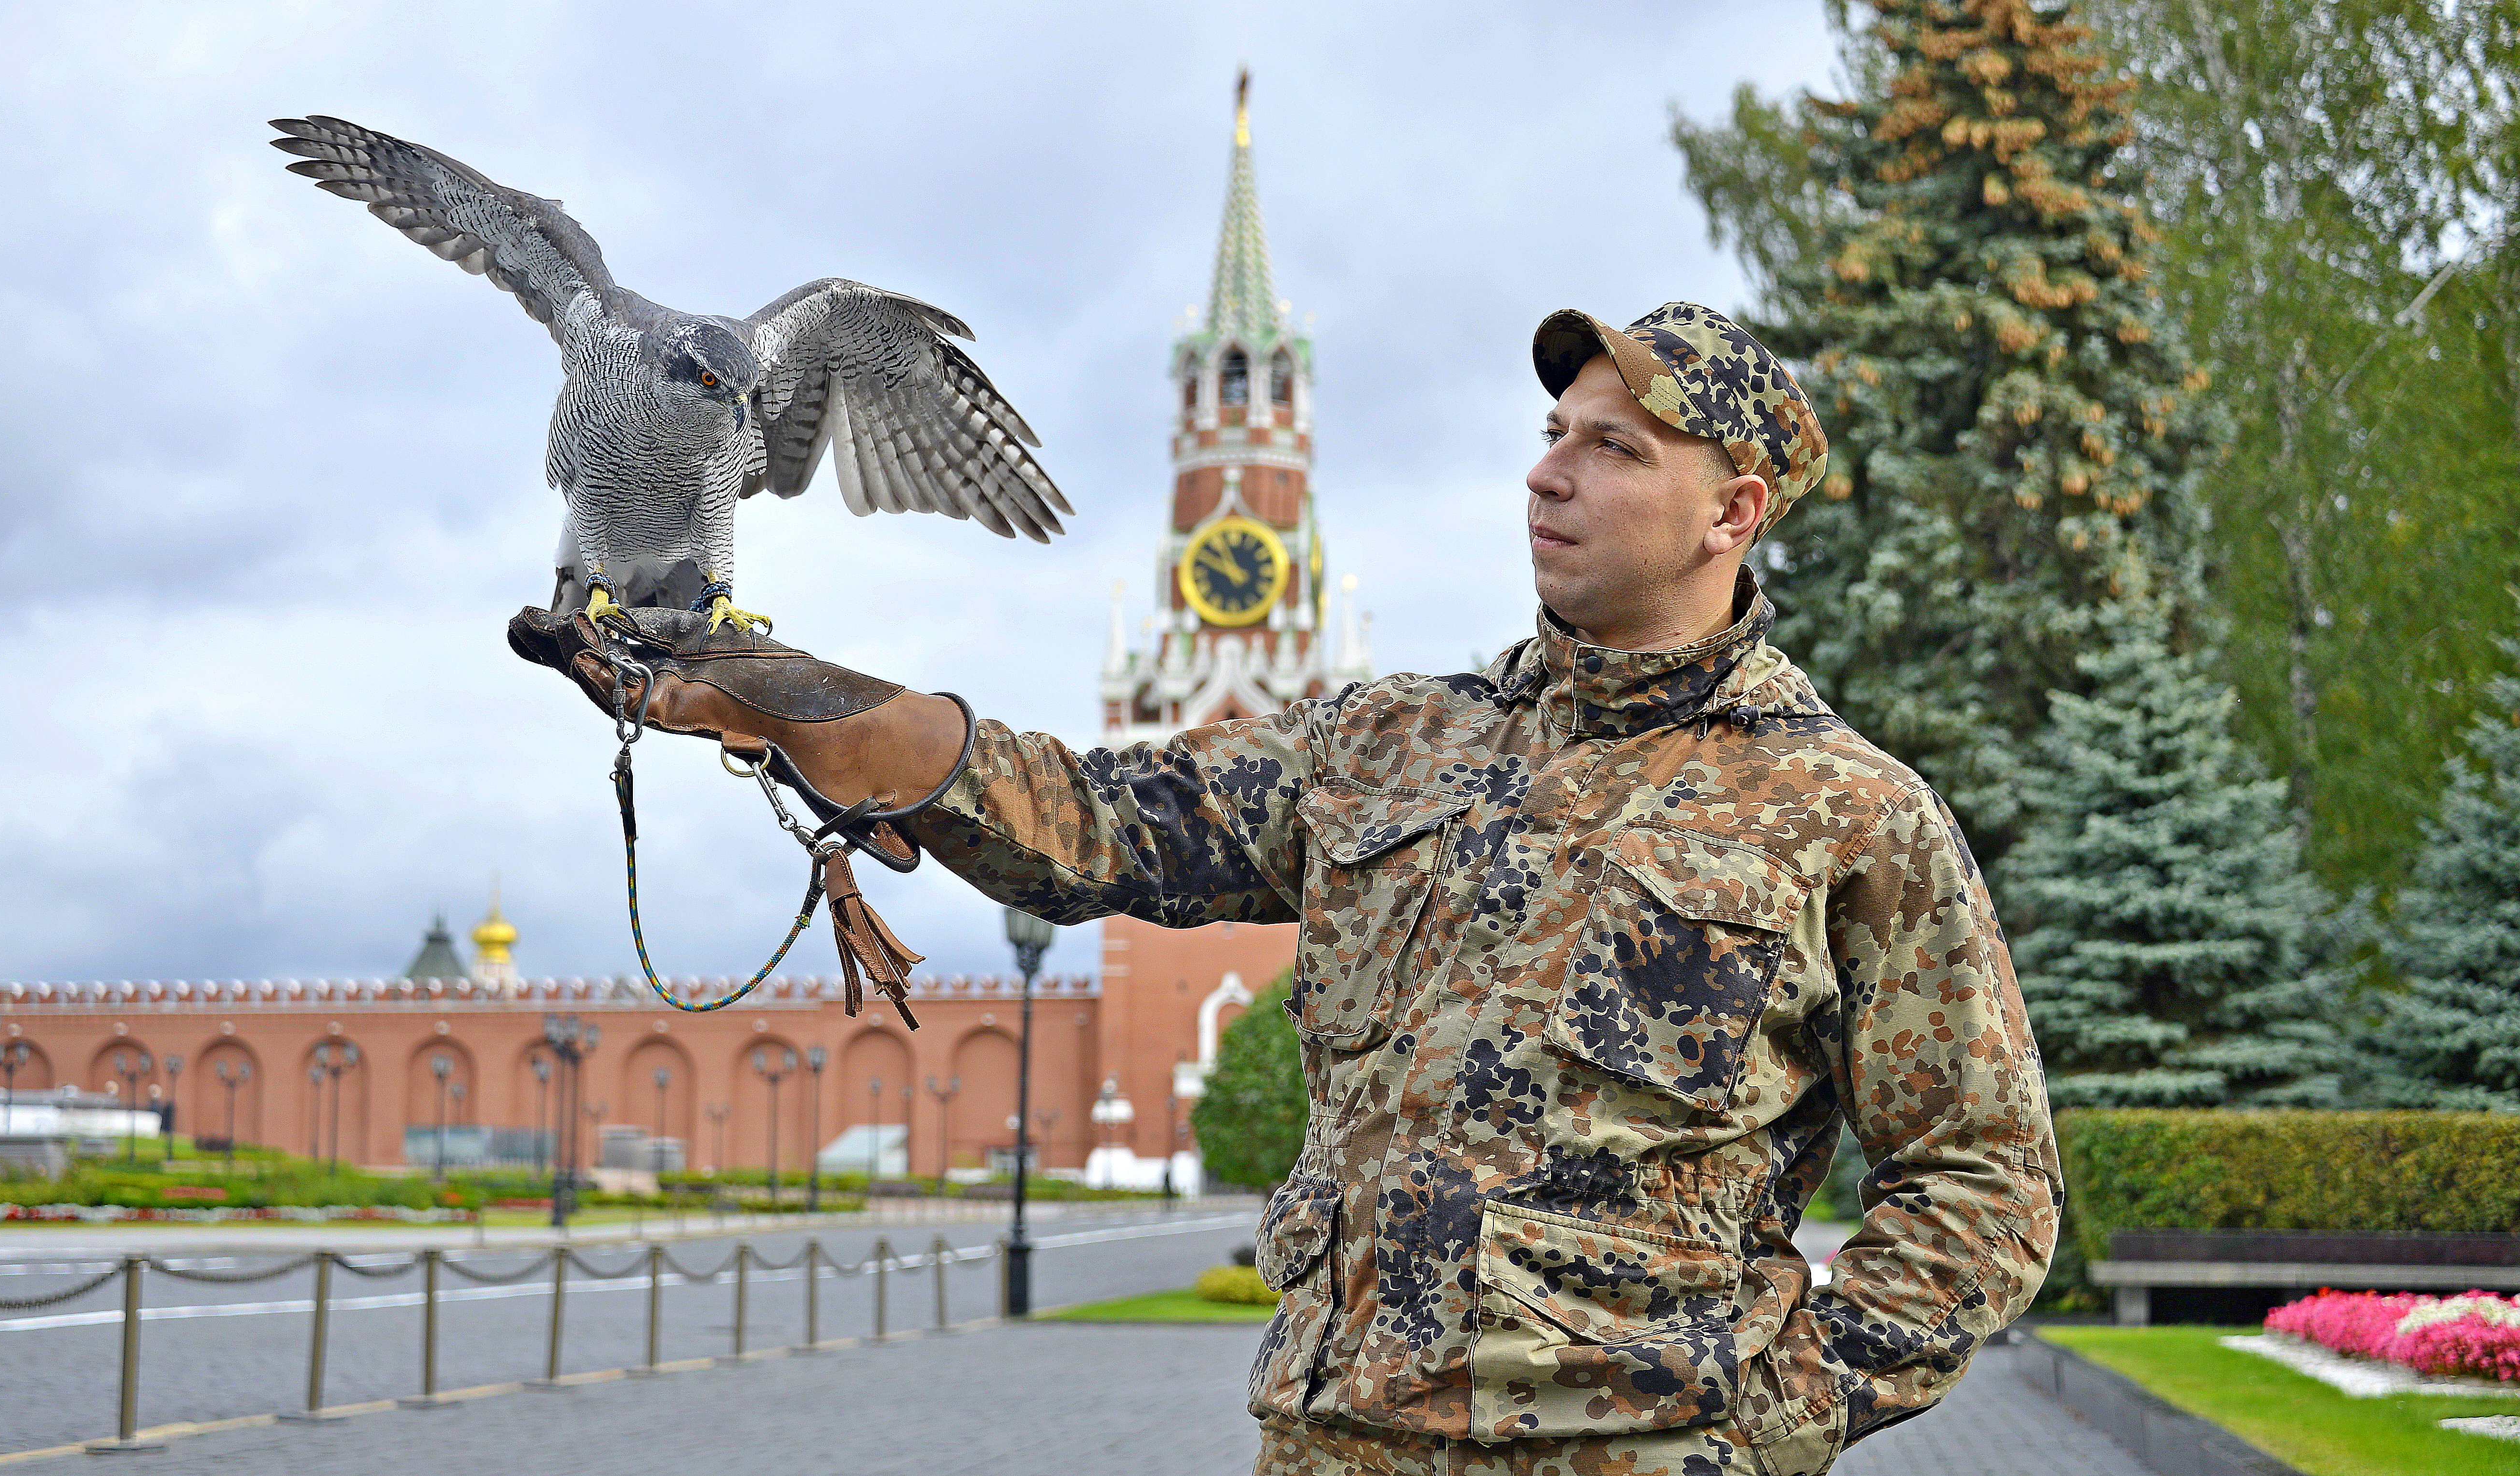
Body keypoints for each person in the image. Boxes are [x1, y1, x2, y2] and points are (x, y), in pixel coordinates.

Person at [513, 303, 2060, 1476]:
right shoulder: (1388, 743)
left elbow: (1986, 1181)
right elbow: (1097, 815)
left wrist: (1774, 1414)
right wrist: (795, 700)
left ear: (1731, 511)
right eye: (1552, 432)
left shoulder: (1846, 811)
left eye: (1612, 447)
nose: (1549, 471)